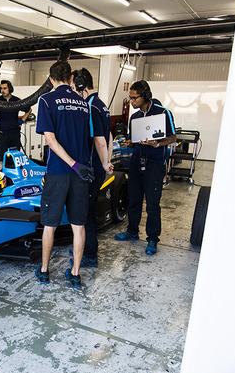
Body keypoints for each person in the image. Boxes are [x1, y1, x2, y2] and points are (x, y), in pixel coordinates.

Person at [34, 61, 99, 288]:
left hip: (59, 172)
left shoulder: (46, 100)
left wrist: (72, 164)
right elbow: (90, 140)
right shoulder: (84, 104)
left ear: (51, 79)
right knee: (78, 225)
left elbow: (51, 141)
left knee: (50, 225)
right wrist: (81, 165)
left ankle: (44, 271)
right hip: (81, 173)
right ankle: (75, 273)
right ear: (71, 78)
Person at [114, 80, 176, 255]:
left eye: (134, 98)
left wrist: (157, 144)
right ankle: (132, 231)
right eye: (130, 98)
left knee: (152, 203)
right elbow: (134, 142)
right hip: (136, 162)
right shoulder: (134, 118)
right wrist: (128, 142)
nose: (131, 102)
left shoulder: (163, 113)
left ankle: (152, 239)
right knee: (133, 199)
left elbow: (173, 137)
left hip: (155, 163)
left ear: (145, 96)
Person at [70, 68, 113, 268]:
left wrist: (104, 163)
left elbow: (100, 140)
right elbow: (110, 136)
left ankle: (90, 255)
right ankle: (84, 247)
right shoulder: (102, 105)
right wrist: (108, 161)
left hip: (92, 169)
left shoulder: (90, 106)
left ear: (80, 85)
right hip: (98, 168)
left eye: (73, 87)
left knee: (85, 214)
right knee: (88, 210)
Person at [0, 80, 32, 170]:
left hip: (14, 133)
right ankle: (1, 178)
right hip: (2, 134)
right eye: (1, 89)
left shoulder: (16, 101)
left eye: (5, 88)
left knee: (15, 158)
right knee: (1, 159)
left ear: (10, 89)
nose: (2, 90)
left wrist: (22, 120)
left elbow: (29, 110)